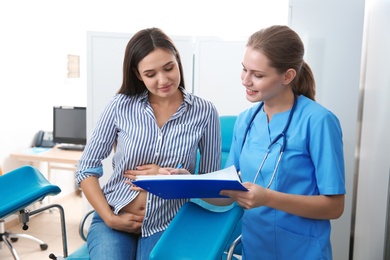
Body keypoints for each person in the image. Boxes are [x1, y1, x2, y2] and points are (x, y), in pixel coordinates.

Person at [75, 27, 221, 260]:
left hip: (167, 222)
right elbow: (85, 169)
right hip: (114, 214)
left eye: (169, 68)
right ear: (137, 74)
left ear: (177, 61)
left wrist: (176, 178)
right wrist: (110, 218)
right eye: (151, 74)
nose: (163, 80)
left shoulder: (204, 111)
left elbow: (211, 186)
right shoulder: (120, 105)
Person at [218, 25, 346, 259]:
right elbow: (227, 190)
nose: (246, 80)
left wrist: (268, 198)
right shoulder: (246, 121)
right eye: (244, 70)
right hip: (255, 247)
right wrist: (184, 182)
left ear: (287, 76)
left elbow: (335, 207)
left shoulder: (318, 121)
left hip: (302, 250)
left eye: (257, 75)